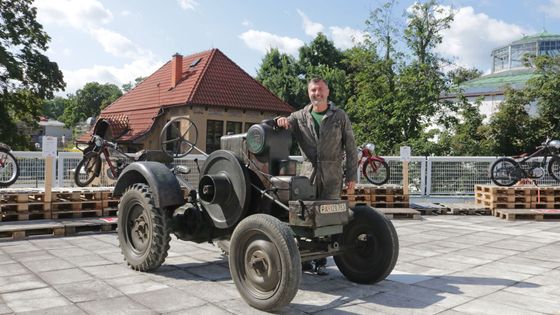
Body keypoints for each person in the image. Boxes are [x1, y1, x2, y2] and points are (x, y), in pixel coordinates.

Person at [276, 77, 358, 275]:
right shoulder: (299, 116)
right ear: (308, 92)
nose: (317, 93)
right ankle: (303, 258)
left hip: (332, 174)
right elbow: (284, 124)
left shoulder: (340, 116)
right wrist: (280, 121)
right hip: (308, 174)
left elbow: (351, 147)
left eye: (320, 89)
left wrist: (352, 177)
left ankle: (321, 259)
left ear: (327, 92)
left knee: (328, 216)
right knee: (304, 216)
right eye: (313, 90)